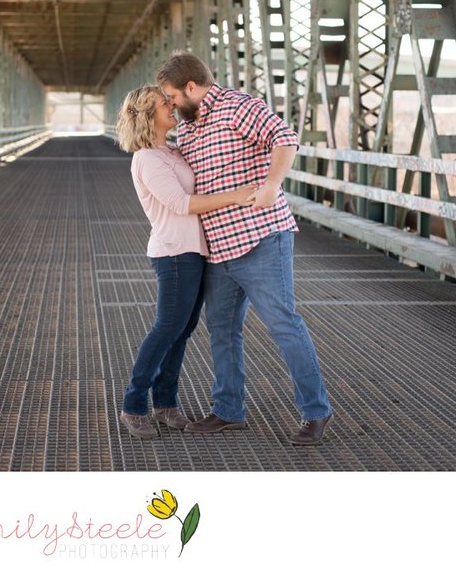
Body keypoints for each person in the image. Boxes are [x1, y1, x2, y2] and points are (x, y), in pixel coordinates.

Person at [156, 52, 334, 445]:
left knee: (284, 324)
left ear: (191, 87)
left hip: (260, 238)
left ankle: (315, 413)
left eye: (171, 97)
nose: (170, 105)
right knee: (222, 330)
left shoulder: (239, 107)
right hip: (216, 250)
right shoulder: (187, 128)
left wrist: (271, 185)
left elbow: (285, 139)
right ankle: (228, 410)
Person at [115, 85, 257, 440]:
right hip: (173, 252)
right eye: (163, 103)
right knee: (166, 328)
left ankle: (165, 403)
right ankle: (133, 406)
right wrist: (235, 197)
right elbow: (181, 204)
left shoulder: (173, 151)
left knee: (181, 329)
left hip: (195, 251)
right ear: (148, 114)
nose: (171, 105)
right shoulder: (146, 158)